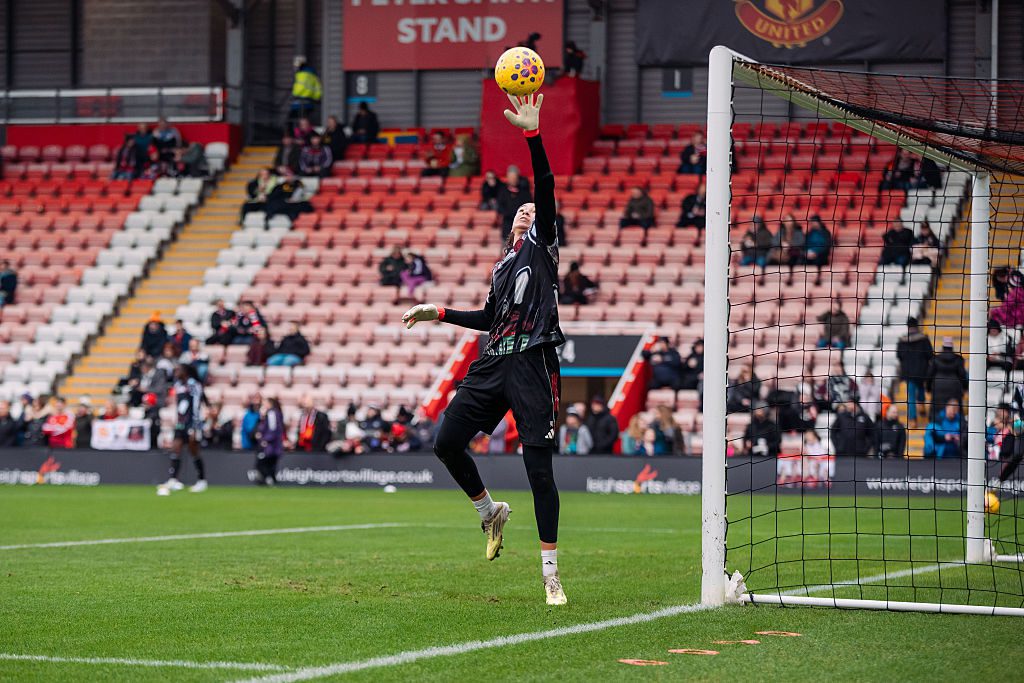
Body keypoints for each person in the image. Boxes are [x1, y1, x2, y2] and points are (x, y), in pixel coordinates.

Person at [400, 93, 568, 605]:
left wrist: (533, 135)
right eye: (520, 209)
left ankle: (550, 573)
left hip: (533, 360)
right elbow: (491, 318)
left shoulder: (544, 250)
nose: (526, 210)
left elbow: (546, 184)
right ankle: (488, 512)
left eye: (532, 210)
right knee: (446, 442)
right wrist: (441, 313)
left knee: (538, 470)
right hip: (494, 358)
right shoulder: (501, 267)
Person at [158, 365, 207, 495]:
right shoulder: (178, 385)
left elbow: (196, 405)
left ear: (185, 371)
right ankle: (173, 479)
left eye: (178, 370)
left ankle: (201, 480)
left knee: (194, 450)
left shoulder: (194, 385)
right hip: (181, 423)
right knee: (176, 448)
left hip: (192, 423)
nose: (176, 372)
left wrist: (196, 426)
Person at [896, 317, 933, 426]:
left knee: (911, 396)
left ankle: (912, 420)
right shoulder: (924, 339)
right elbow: (930, 354)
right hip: (922, 371)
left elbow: (899, 355)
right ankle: (921, 405)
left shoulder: (902, 340)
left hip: (908, 372)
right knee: (921, 388)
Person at [928, 336, 968, 417]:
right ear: (952, 347)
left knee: (937, 412)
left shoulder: (935, 359)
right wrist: (965, 388)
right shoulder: (958, 359)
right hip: (954, 388)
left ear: (943, 347)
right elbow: (962, 375)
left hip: (938, 388)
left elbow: (929, 374)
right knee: (955, 411)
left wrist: (928, 388)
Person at [496, 164, 532, 239]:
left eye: (514, 177)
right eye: (510, 177)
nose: (512, 179)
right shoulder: (502, 191)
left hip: (521, 225)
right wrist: (509, 213)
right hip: (507, 225)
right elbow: (500, 207)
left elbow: (529, 206)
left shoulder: (524, 191)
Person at [255, 397, 285, 485]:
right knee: (270, 464)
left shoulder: (272, 413)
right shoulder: (273, 413)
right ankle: (270, 480)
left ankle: (269, 480)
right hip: (273, 444)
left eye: (264, 403)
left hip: (271, 445)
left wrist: (265, 439)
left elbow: (273, 429)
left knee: (264, 463)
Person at [289, 56, 322, 123]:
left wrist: (293, 95)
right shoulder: (313, 74)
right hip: (311, 103)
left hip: (300, 103)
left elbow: (298, 90)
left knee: (291, 120)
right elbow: (318, 90)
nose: (296, 68)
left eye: (297, 66)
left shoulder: (302, 74)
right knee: (307, 121)